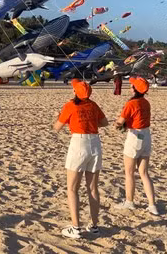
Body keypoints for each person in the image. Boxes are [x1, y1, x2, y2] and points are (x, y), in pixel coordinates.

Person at [52, 79, 108, 240]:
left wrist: (57, 117)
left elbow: (56, 127)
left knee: (72, 188)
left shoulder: (71, 105)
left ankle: (76, 227)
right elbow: (104, 123)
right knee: (92, 188)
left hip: (79, 142)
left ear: (75, 92)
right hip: (95, 143)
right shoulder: (93, 105)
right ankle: (94, 225)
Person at [113, 77, 158, 215]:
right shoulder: (146, 102)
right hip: (146, 136)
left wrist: (117, 125)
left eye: (132, 85)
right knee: (144, 173)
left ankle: (129, 202)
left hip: (135, 137)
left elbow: (120, 122)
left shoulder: (131, 103)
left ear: (135, 89)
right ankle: (152, 205)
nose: (130, 86)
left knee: (129, 173)